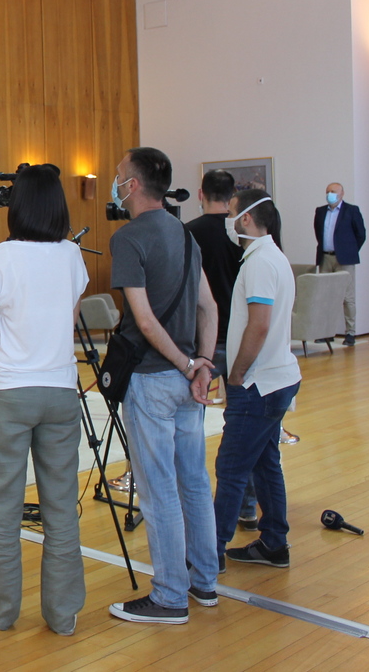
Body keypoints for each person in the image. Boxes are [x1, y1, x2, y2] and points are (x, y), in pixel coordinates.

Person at [0, 165, 89, 637]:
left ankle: (3, 613)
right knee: (60, 508)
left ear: (16, 206)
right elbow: (69, 320)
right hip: (60, 389)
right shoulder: (72, 255)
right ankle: (62, 614)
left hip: (9, 392)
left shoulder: (0, 256)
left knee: (3, 509)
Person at [106, 147, 219, 625]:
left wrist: (185, 362)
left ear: (132, 186)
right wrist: (202, 364)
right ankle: (204, 581)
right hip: (189, 383)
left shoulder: (128, 238)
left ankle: (170, 595)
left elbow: (145, 321)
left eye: (118, 176)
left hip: (154, 378)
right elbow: (209, 307)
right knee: (194, 481)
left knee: (158, 491)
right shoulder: (185, 234)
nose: (115, 183)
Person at [214, 189, 301, 570]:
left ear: (246, 219)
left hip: (257, 384)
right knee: (265, 463)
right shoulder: (269, 257)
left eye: (230, 213)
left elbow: (259, 325)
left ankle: (209, 553)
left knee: (231, 468)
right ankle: (274, 543)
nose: (227, 221)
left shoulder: (261, 263)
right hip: (274, 379)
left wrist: (236, 374)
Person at [184, 169, 259, 530]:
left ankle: (194, 502)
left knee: (190, 421)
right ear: (231, 197)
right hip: (241, 336)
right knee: (243, 425)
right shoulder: (243, 234)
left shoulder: (189, 232)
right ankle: (246, 504)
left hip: (203, 339)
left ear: (201, 194)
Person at [313, 182, 366, 345]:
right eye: (328, 191)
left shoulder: (351, 210)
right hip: (325, 258)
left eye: (334, 191)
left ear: (342, 193)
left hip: (345, 259)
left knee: (347, 297)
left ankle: (350, 332)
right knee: (325, 296)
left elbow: (361, 234)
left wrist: (348, 250)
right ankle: (326, 332)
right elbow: (318, 233)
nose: (330, 194)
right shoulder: (320, 211)